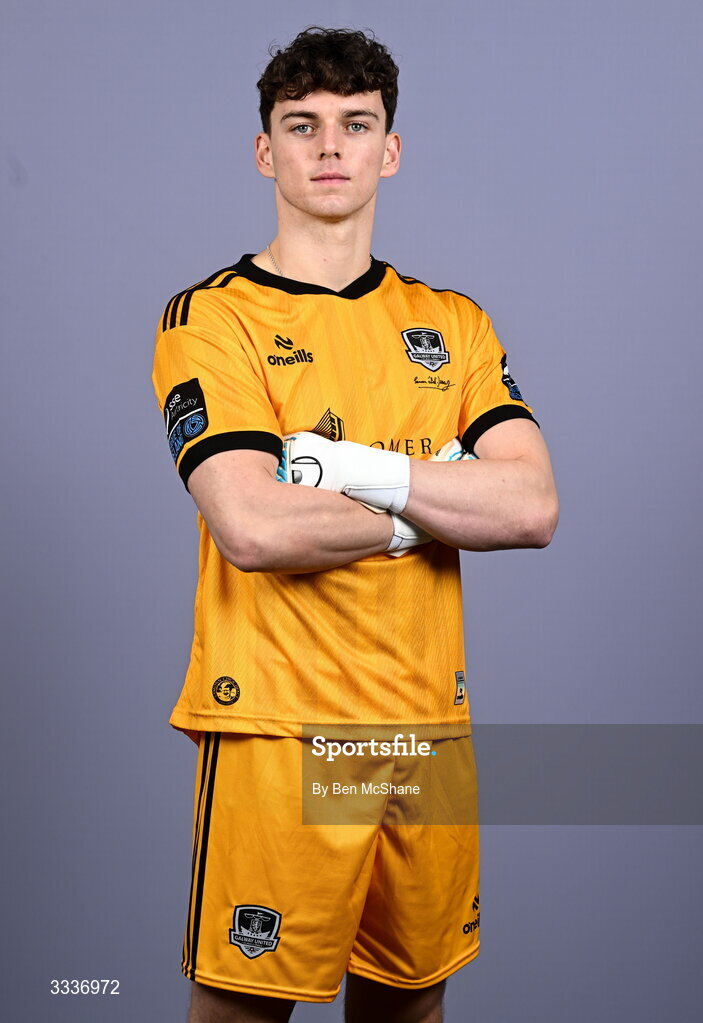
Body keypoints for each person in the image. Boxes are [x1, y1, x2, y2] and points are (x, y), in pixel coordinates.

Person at [152, 25, 559, 1023]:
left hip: (423, 723)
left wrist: (347, 474)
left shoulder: (452, 323)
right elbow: (250, 522)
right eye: (302, 126)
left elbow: (533, 504)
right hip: (281, 727)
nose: (328, 146)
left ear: (389, 148)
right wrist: (432, 500)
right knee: (244, 1010)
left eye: (353, 124)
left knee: (409, 1009)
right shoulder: (212, 318)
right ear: (267, 151)